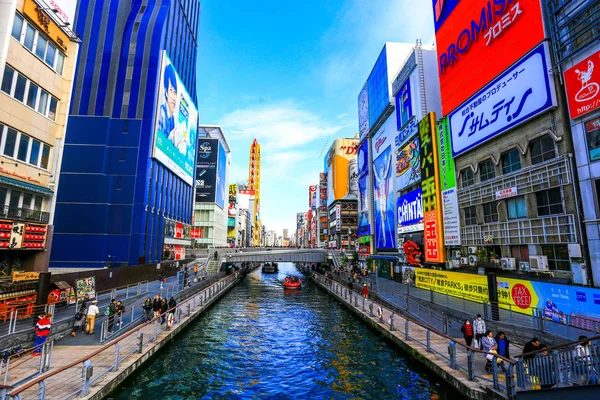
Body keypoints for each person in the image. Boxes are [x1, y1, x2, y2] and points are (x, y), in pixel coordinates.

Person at [157, 63, 178, 142]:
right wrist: (170, 138)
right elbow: (158, 139)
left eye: (175, 92)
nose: (173, 97)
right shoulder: (160, 113)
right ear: (166, 92)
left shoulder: (172, 120)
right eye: (171, 91)